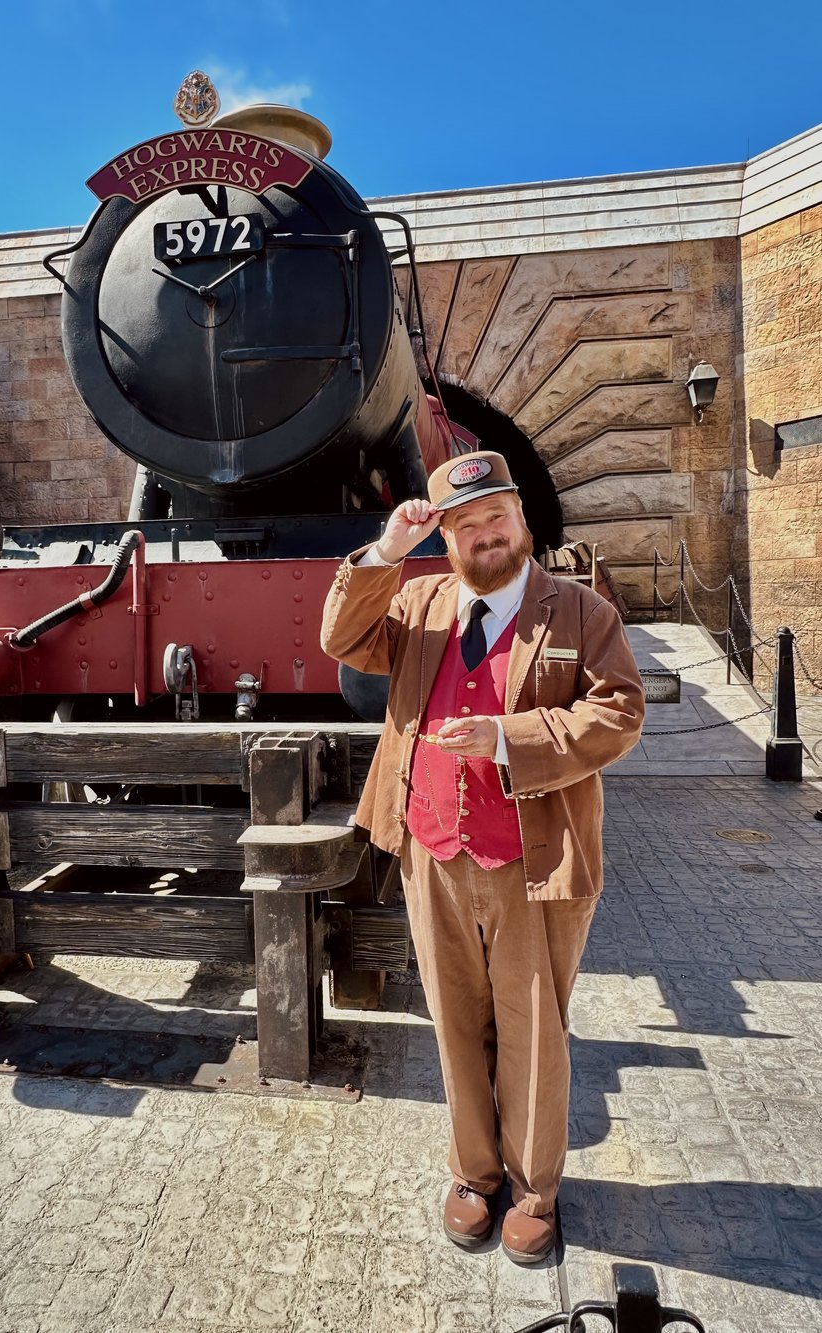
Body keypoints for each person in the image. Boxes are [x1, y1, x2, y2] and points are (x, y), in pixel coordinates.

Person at [321, 450, 644, 1263]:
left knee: (533, 1027)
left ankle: (535, 1190)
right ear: (447, 538)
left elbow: (620, 712)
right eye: (465, 523)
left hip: (533, 861)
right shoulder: (419, 601)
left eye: (496, 515)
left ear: (521, 518)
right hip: (431, 853)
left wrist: (507, 738)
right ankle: (474, 1173)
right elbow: (341, 636)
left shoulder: (578, 612)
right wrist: (386, 551)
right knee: (455, 1020)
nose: (485, 533)